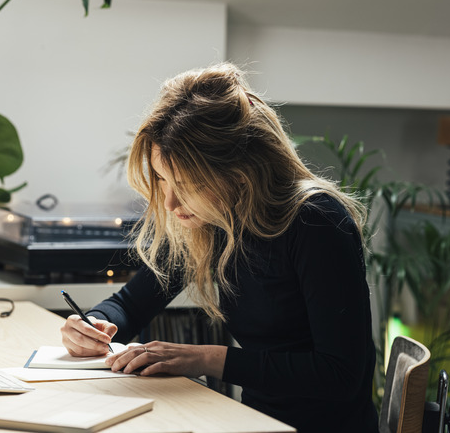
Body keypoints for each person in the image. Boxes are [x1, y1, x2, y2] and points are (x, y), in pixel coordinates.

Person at [60, 62, 378, 432]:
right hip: (253, 420)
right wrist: (96, 326)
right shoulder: (212, 221)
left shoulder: (315, 221)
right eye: (163, 180)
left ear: (241, 174)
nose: (169, 204)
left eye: (188, 184)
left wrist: (206, 359)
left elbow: (339, 375)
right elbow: (131, 304)